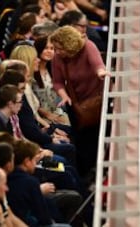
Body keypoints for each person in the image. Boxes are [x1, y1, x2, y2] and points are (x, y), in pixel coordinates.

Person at [50, 25, 110, 176]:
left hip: (96, 102)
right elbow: (57, 82)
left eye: (59, 48)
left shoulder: (88, 46)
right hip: (75, 105)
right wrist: (64, 96)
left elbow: (98, 65)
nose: (56, 52)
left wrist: (101, 72)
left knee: (97, 137)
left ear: (68, 44)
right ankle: (88, 174)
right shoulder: (58, 58)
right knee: (82, 143)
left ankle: (101, 169)